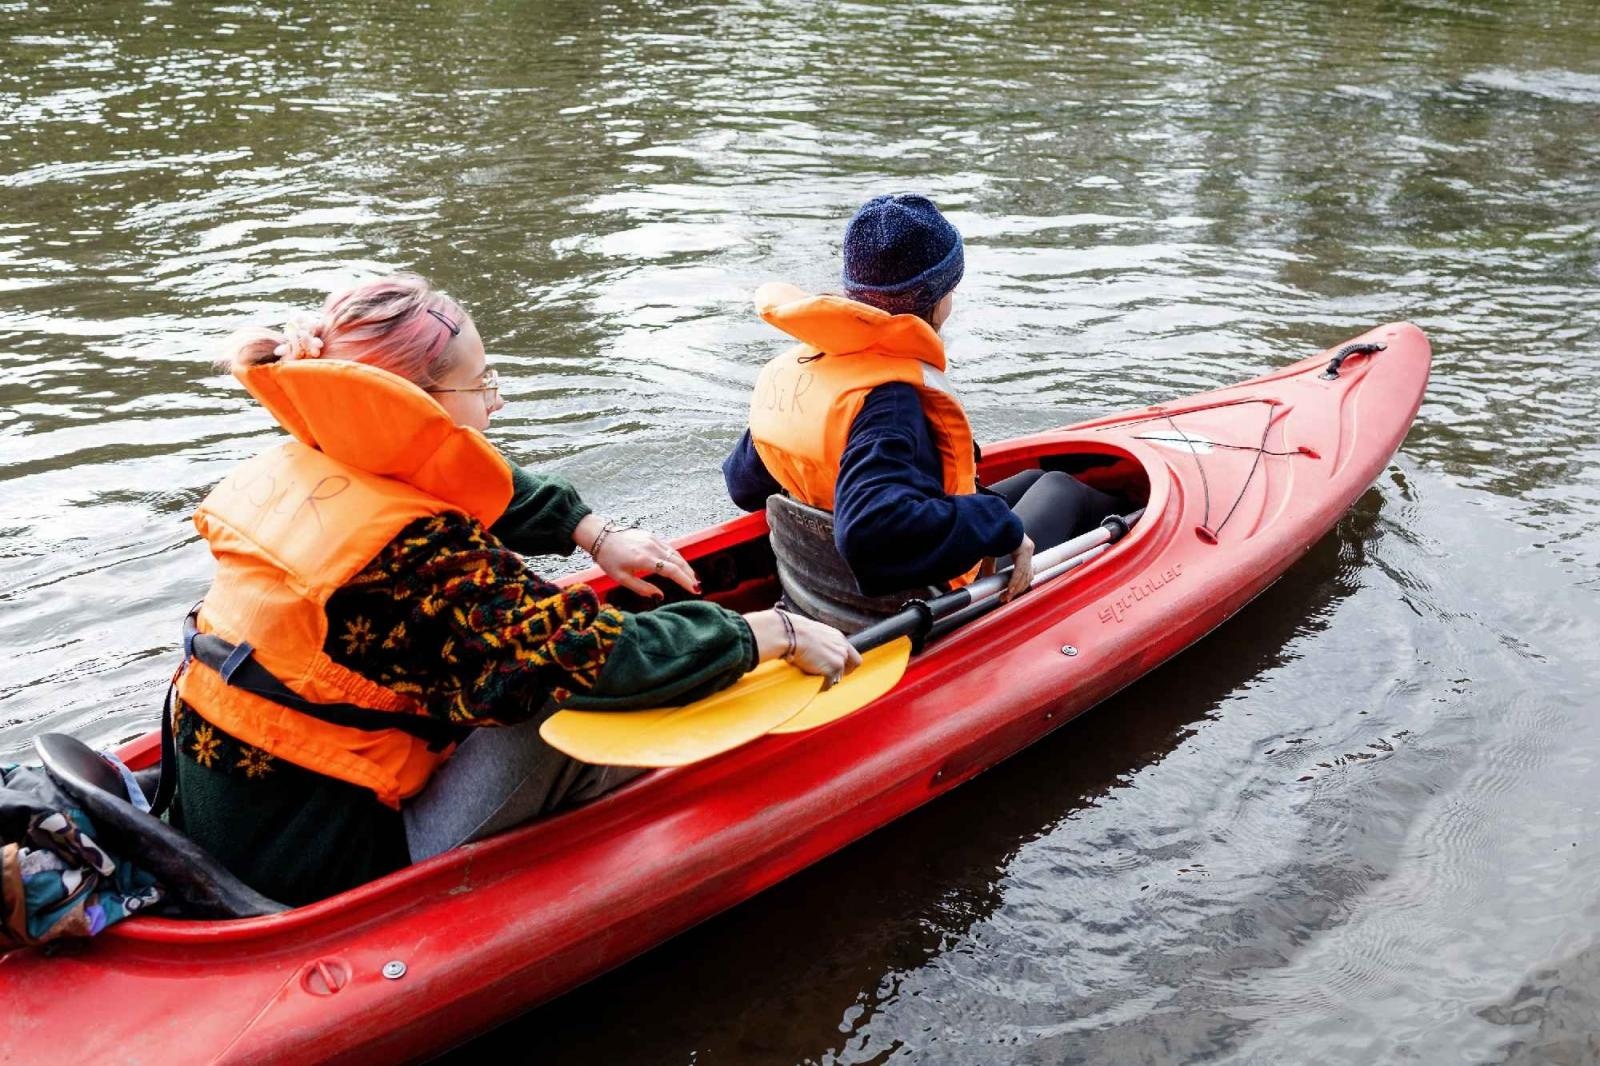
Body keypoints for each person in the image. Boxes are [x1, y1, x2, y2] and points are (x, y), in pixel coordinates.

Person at [168, 274, 858, 906]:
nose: (496, 397)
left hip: (242, 811)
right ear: (412, 405)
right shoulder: (411, 557)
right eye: (480, 382)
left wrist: (591, 532)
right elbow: (586, 658)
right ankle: (661, 804)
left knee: (536, 650)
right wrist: (764, 633)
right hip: (331, 862)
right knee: (559, 704)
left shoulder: (313, 456)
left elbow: (469, 475)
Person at [723, 193, 1123, 631]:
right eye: (951, 290)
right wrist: (1000, 527)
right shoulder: (891, 400)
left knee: (1035, 481)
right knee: (1063, 489)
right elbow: (870, 531)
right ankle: (1136, 552)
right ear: (936, 298)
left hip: (819, 592)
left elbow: (744, 485)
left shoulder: (806, 369)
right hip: (912, 608)